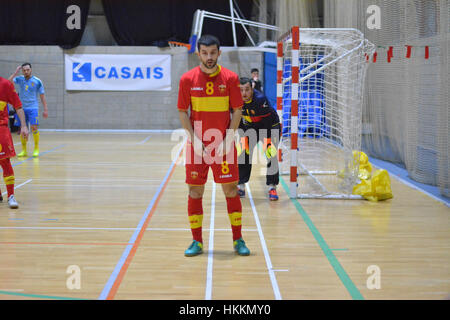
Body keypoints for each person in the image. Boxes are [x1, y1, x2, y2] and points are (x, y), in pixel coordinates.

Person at [177, 34, 250, 257]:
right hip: (198, 147)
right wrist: (194, 141)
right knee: (195, 191)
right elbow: (182, 111)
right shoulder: (187, 80)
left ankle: (238, 239)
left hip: (224, 146)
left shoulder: (230, 78)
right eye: (204, 53)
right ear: (198, 53)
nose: (209, 57)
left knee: (230, 191)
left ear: (219, 53)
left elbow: (237, 109)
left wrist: (228, 139)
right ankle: (196, 241)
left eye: (213, 53)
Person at [236, 77, 281, 201]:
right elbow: (238, 119)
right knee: (243, 152)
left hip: (270, 127)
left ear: (252, 89)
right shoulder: (235, 100)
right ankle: (241, 186)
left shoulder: (260, 100)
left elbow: (265, 125)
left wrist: (266, 143)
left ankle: (272, 187)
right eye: (241, 90)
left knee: (270, 153)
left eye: (247, 90)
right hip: (250, 126)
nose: (244, 93)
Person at [0, 76, 29, 208]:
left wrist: (23, 126)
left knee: (5, 162)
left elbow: (18, 106)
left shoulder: (5, 84)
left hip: (1, 129)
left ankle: (11, 195)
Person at [9, 63, 48, 157]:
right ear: (22, 71)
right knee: (22, 129)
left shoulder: (37, 81)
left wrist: (45, 109)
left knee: (34, 127)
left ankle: (36, 148)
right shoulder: (20, 79)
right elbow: (8, 82)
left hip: (33, 108)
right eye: (24, 70)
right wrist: (15, 72)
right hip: (21, 108)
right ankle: (24, 150)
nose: (26, 71)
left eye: (28, 70)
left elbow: (42, 96)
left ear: (31, 70)